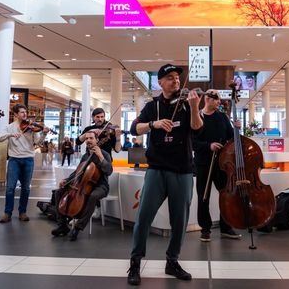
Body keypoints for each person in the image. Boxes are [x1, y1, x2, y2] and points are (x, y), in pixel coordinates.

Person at [127, 64, 203, 285]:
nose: (175, 80)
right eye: (170, 77)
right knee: (143, 218)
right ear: (160, 82)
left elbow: (198, 129)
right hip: (157, 170)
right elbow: (134, 128)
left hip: (183, 170)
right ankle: (135, 263)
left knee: (180, 221)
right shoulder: (152, 106)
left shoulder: (187, 104)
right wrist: (154, 124)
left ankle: (172, 261)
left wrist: (195, 106)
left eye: (177, 77)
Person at [193, 89, 240, 242]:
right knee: (203, 196)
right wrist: (209, 146)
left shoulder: (222, 117)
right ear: (207, 99)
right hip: (203, 163)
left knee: (226, 195)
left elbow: (231, 138)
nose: (220, 102)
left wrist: (237, 129)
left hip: (222, 163)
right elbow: (192, 143)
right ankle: (205, 229)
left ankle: (226, 227)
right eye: (217, 99)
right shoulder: (197, 117)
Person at [51, 131, 112, 241]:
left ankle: (78, 228)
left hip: (100, 186)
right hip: (83, 185)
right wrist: (66, 180)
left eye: (91, 138)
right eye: (87, 138)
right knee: (58, 192)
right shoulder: (85, 156)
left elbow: (109, 171)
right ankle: (62, 225)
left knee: (93, 196)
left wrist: (100, 156)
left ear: (97, 140)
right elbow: (77, 172)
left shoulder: (105, 154)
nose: (88, 140)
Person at [0, 104, 49, 223]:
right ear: (16, 114)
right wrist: (10, 135)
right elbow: (0, 138)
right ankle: (7, 213)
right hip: (14, 160)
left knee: (26, 188)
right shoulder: (10, 127)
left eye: (25, 112)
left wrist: (44, 133)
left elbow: (38, 142)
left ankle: (22, 212)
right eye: (22, 112)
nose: (25, 114)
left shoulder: (32, 127)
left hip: (28, 159)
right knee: (10, 187)